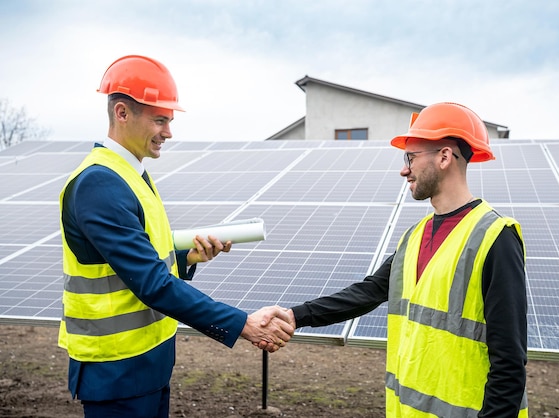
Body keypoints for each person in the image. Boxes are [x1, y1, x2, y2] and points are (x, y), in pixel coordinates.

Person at [58, 55, 294, 418]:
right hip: (117, 372)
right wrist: (241, 323)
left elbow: (140, 259)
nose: (168, 131)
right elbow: (151, 283)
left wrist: (187, 257)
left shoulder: (132, 175)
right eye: (160, 119)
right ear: (122, 113)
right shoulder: (99, 183)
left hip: (146, 364)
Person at [266, 103, 528, 417]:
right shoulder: (414, 236)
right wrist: (296, 316)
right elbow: (368, 292)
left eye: (411, 157)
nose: (405, 169)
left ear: (444, 157)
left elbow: (510, 362)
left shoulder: (496, 236)